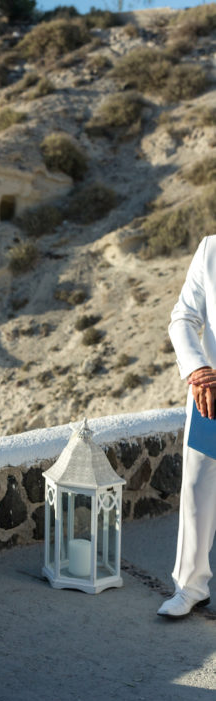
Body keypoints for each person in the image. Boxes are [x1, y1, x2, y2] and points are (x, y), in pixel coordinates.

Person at [158, 234, 216, 618]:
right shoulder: (211, 249)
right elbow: (182, 317)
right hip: (210, 395)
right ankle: (190, 587)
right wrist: (197, 368)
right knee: (196, 487)